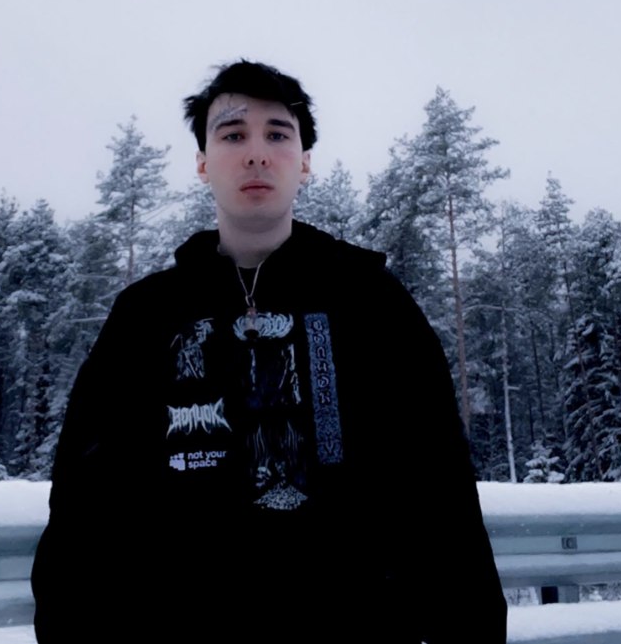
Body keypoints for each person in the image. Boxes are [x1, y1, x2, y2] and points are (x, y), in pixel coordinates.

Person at [31, 60, 507, 643]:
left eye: (277, 134)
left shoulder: (371, 302)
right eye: (233, 135)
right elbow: (84, 503)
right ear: (203, 162)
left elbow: (439, 487)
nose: (256, 154)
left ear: (304, 161)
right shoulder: (146, 316)